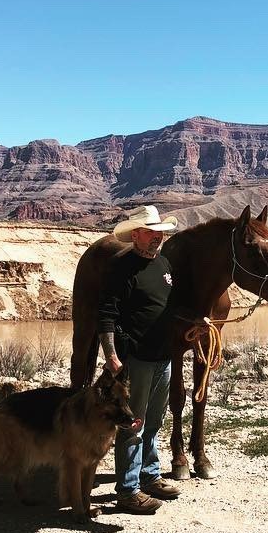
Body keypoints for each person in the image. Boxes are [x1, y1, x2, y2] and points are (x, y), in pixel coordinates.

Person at [97, 205, 183, 514]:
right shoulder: (121, 267)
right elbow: (106, 314)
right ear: (136, 234)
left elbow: (169, 307)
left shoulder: (164, 264)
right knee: (133, 423)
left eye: (160, 233)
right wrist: (111, 355)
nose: (158, 238)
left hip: (163, 358)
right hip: (135, 360)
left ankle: (149, 475)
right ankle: (128, 491)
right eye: (152, 233)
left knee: (156, 421)